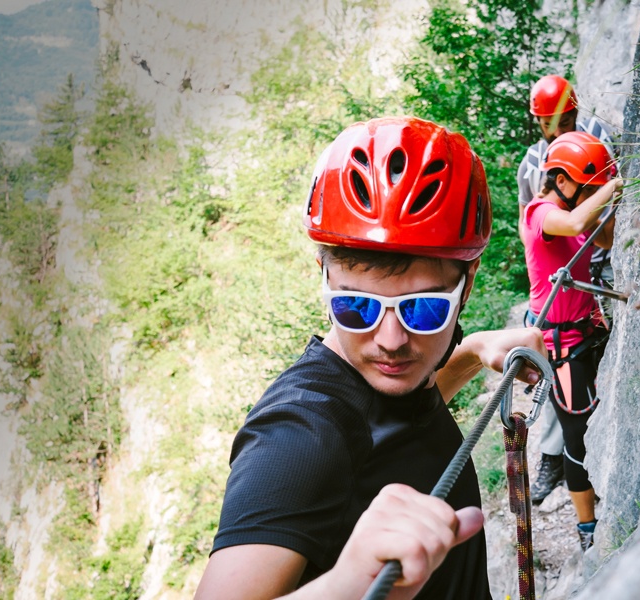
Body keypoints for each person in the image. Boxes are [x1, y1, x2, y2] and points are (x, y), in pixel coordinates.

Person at [195, 116, 546, 599]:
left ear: (468, 282)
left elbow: (395, 418)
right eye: (356, 307)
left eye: (424, 308)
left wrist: (471, 350)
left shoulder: (385, 378)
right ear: (323, 273)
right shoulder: (299, 435)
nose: (392, 340)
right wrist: (348, 583)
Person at [517, 74, 619, 505]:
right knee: (574, 422)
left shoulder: (596, 139)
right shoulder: (536, 184)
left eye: (562, 119)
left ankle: (583, 486)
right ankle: (570, 493)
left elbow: (602, 235)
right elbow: (553, 224)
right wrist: (611, 187)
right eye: (548, 123)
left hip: (590, 301)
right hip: (562, 323)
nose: (556, 129)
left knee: (588, 411)